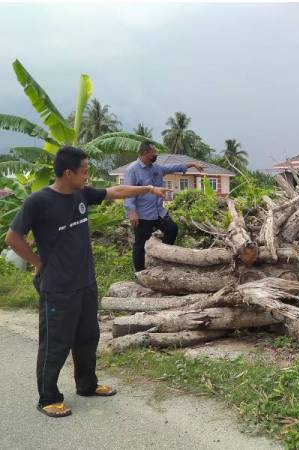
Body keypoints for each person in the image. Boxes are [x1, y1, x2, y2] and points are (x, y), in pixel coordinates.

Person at [5, 146, 171, 418]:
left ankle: (87, 385)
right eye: (84, 171)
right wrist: (37, 262)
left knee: (87, 337)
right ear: (68, 173)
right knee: (56, 342)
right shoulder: (39, 201)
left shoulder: (80, 194)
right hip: (58, 286)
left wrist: (148, 189)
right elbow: (12, 237)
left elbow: (115, 192)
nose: (87, 176)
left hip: (85, 281)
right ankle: (47, 397)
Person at [123, 141, 204, 271]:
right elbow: (128, 192)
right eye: (153, 152)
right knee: (140, 244)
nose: (156, 154)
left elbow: (175, 167)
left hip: (158, 212)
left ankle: (162, 259)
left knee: (172, 229)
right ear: (145, 153)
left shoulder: (156, 168)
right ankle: (140, 273)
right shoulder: (132, 170)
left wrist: (192, 164)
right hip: (142, 215)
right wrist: (132, 212)